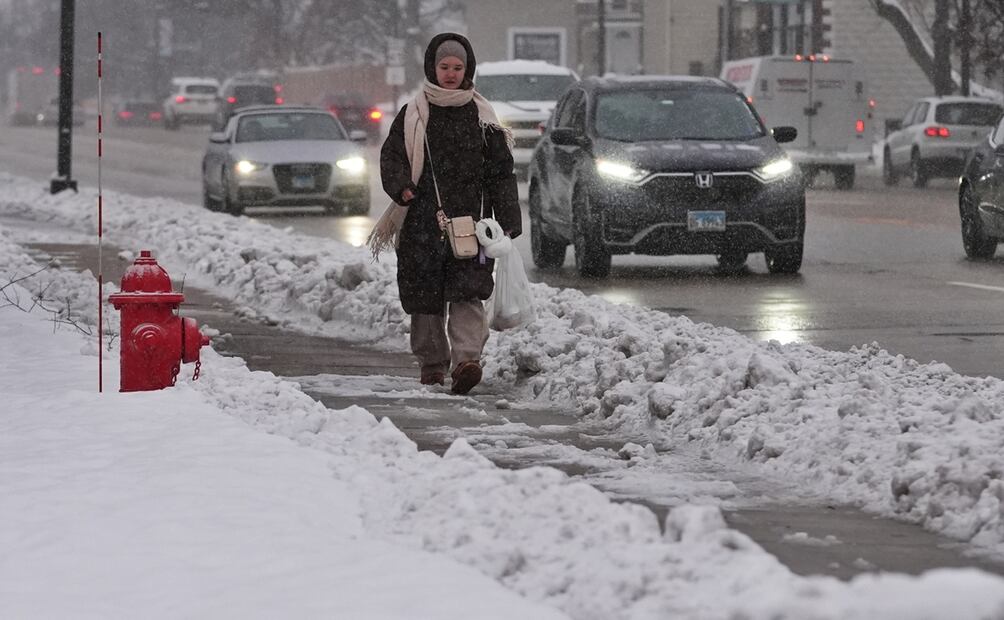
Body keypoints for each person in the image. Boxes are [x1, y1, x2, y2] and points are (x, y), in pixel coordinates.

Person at [375, 32, 520, 395]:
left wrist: (508, 218)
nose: (451, 73)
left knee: (468, 291)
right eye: (445, 67)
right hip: (422, 219)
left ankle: (467, 362)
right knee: (424, 297)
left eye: (458, 67)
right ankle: (431, 364)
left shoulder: (482, 116)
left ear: (468, 68)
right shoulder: (413, 114)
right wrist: (402, 186)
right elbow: (392, 156)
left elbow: (501, 171)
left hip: (471, 222)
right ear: (432, 67)